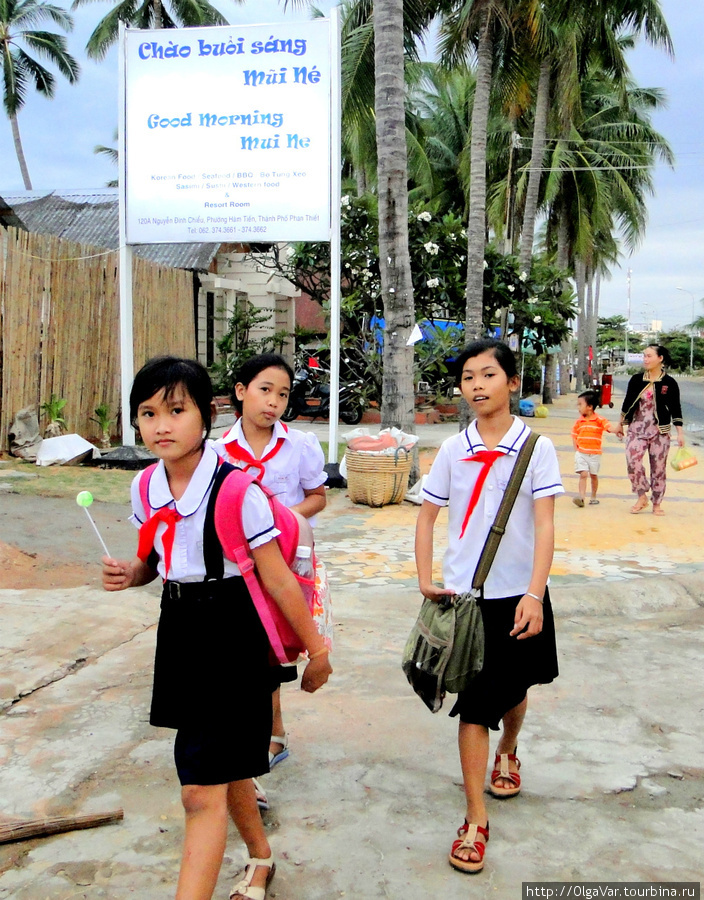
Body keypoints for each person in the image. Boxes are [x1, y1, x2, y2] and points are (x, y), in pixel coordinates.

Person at [102, 356, 332, 900]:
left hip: (235, 635)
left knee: (199, 790)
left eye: (176, 410)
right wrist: (131, 573)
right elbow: (156, 560)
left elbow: (277, 581)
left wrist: (317, 651)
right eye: (148, 413)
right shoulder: (143, 487)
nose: (162, 425)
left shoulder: (237, 491)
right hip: (180, 632)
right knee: (222, 767)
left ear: (207, 415)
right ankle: (260, 856)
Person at [415, 338, 563, 875]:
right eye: (468, 378)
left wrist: (534, 593)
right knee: (475, 707)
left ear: (512, 382)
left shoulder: (536, 448)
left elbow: (545, 524)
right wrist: (426, 578)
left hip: (520, 597)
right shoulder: (455, 449)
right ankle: (476, 817)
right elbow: (428, 515)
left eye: (487, 375)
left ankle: (510, 748)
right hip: (468, 602)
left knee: (514, 692)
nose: (476, 385)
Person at [217, 353, 327, 802]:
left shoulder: (299, 446)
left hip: (287, 567)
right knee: (248, 652)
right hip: (238, 570)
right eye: (265, 390)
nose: (274, 402)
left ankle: (273, 729)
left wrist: (281, 519)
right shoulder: (218, 452)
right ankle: (266, 735)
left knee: (278, 648)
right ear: (241, 391)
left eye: (283, 394)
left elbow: (318, 497)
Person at [615, 344, 685, 516]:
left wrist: (680, 433)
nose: (645, 359)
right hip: (636, 429)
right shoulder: (637, 380)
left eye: (649, 356)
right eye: (644, 356)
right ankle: (641, 495)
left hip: (660, 431)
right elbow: (627, 403)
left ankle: (657, 502)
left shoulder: (669, 383)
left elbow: (675, 408)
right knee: (633, 462)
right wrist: (620, 424)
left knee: (658, 468)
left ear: (660, 359)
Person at [571, 389, 621, 507]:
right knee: (583, 474)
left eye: (580, 404)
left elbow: (609, 427)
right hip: (581, 453)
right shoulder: (579, 422)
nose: (578, 407)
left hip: (594, 454)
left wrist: (617, 430)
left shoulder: (599, 420)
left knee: (593, 475)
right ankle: (581, 498)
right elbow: (574, 435)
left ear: (589, 406)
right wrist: (576, 450)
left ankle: (593, 496)